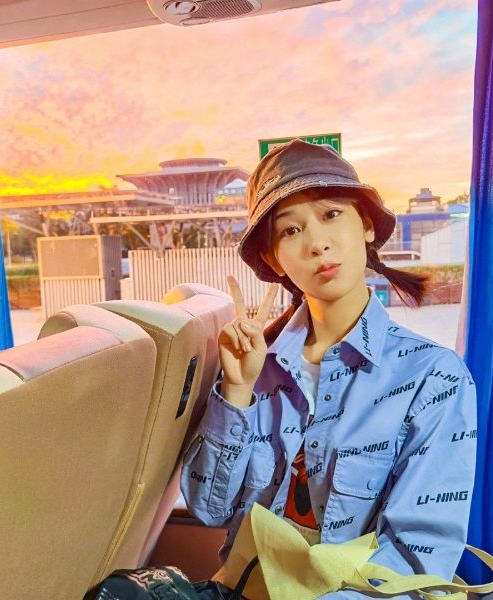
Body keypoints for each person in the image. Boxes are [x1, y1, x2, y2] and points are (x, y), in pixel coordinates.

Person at [180, 140, 477, 598]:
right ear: (274, 259)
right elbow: (210, 510)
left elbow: (415, 560)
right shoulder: (256, 368)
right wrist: (236, 391)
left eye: (332, 214)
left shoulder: (434, 378)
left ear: (367, 226)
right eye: (290, 230)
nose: (317, 242)